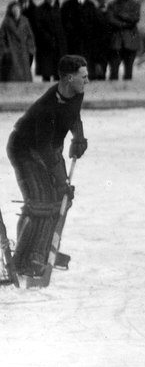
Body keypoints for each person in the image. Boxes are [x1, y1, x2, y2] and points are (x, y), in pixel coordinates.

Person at [7, 55, 88, 278]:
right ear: (69, 78)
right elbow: (42, 149)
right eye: (83, 77)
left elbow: (74, 115)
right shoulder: (47, 109)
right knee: (42, 203)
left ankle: (41, 250)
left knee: (63, 199)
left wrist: (78, 137)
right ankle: (24, 258)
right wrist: (59, 180)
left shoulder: (76, 91)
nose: (87, 81)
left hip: (48, 149)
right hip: (25, 150)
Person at [107, 0, 141, 80]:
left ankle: (127, 92)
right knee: (114, 70)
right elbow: (111, 19)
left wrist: (120, 15)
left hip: (130, 40)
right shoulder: (112, 5)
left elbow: (135, 18)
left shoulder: (135, 4)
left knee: (129, 71)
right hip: (116, 41)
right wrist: (125, 22)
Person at [34, 0, 68, 82]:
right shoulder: (39, 10)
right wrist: (48, 38)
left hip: (58, 46)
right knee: (46, 73)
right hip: (45, 46)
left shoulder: (59, 9)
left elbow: (63, 27)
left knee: (59, 73)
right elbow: (38, 28)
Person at [1, 1, 36, 81]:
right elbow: (1, 37)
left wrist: (30, 48)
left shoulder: (25, 21)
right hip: (12, 51)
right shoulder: (6, 22)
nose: (16, 11)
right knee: (12, 75)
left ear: (20, 10)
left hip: (23, 50)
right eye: (14, 9)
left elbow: (30, 36)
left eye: (17, 9)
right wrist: (6, 49)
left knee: (24, 75)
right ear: (11, 10)